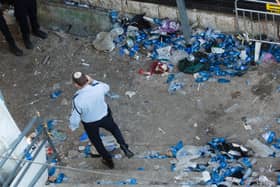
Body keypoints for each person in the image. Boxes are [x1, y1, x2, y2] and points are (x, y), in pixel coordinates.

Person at [69, 72, 134, 169]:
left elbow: (75, 117)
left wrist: (72, 127)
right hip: (104, 115)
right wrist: (93, 81)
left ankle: (108, 160)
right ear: (87, 78)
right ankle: (124, 147)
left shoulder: (77, 100)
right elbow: (107, 87)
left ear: (76, 85)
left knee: (96, 141)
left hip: (90, 122)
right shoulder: (98, 88)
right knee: (114, 129)